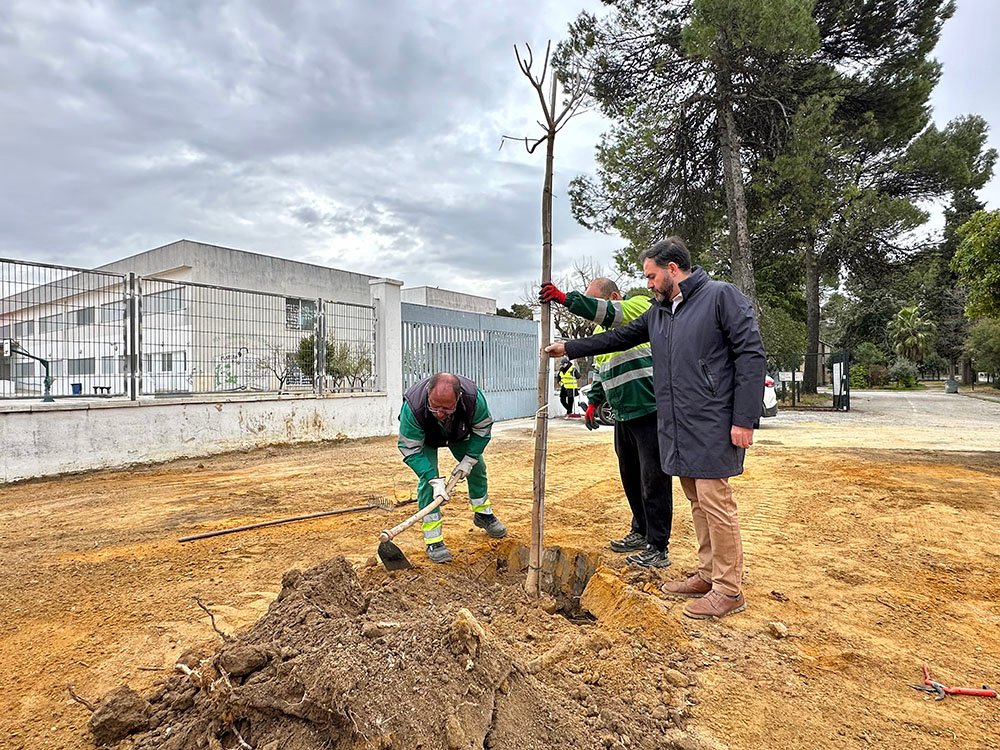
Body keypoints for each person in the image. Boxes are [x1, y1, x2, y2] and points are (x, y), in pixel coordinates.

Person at [545, 237, 765, 619]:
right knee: (697, 500)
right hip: (678, 423)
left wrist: (744, 418)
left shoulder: (719, 297)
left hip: (712, 420)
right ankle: (708, 574)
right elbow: (620, 336)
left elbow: (751, 354)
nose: (647, 284)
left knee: (717, 502)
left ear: (673, 270)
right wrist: (570, 348)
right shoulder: (660, 312)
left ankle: (729, 591)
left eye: (650, 276)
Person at [540, 277, 672, 567]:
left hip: (649, 409)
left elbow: (607, 313)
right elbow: (601, 370)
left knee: (654, 480)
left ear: (613, 296)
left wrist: (566, 299)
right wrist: (595, 402)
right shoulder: (602, 333)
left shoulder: (638, 307)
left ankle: (658, 546)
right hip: (623, 413)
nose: (590, 310)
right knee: (631, 477)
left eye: (594, 302)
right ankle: (640, 530)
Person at [397, 372, 507, 563]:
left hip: (458, 433)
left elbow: (482, 429)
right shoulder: (413, 406)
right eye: (434, 407)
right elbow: (410, 448)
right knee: (428, 485)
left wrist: (469, 459)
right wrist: (432, 478)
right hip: (427, 438)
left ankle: (482, 513)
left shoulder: (473, 399)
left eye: (446, 409)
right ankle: (434, 540)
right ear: (428, 394)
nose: (439, 413)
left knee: (478, 469)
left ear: (459, 399)